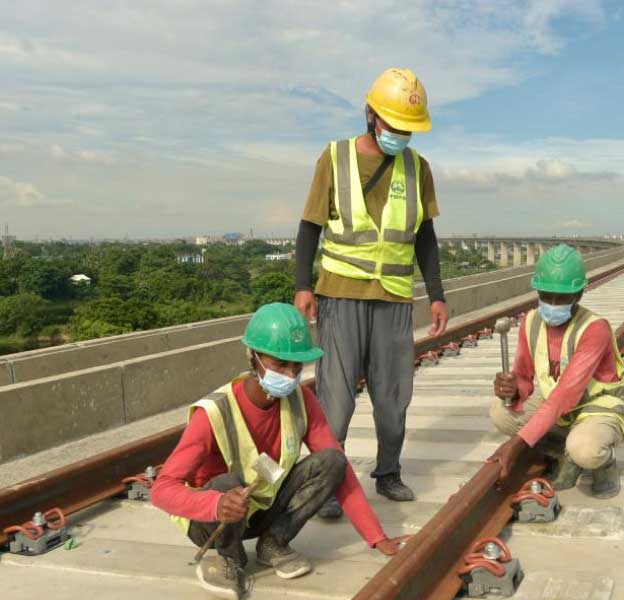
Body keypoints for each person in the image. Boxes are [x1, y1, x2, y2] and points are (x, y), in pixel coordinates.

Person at [152, 303, 405, 600]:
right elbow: (161, 490)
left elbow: (341, 471)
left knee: (331, 461)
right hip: (214, 520)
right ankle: (228, 558)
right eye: (280, 364)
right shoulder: (214, 412)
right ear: (253, 357)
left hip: (260, 507)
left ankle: (273, 542)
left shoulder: (301, 400)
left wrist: (376, 538)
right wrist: (215, 504)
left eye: (296, 366)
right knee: (227, 483)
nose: (290, 374)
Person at [293, 67, 448, 518]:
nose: (400, 135)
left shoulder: (418, 168)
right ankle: (328, 482)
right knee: (336, 400)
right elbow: (309, 227)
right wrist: (304, 285)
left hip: (395, 296)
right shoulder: (334, 158)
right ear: (370, 115)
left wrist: (435, 293)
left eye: (408, 129)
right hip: (339, 294)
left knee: (393, 395)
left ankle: (388, 472)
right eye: (394, 125)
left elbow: (425, 236)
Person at [486, 245, 624, 498]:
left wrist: (516, 444)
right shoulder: (530, 322)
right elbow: (525, 378)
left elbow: (565, 395)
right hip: (558, 405)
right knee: (500, 412)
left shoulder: (595, 329)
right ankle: (564, 456)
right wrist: (513, 388)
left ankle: (604, 464)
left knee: (585, 449)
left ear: (580, 294)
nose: (552, 304)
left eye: (561, 298)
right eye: (546, 295)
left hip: (595, 405)